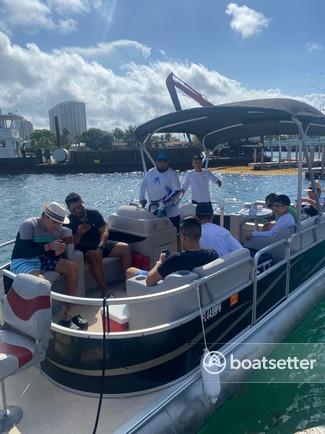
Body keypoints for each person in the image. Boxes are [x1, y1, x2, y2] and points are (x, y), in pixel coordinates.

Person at [10, 202, 87, 330]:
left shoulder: (57, 230)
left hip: (43, 258)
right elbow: (25, 251)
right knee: (43, 282)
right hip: (23, 260)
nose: (58, 226)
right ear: (45, 217)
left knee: (72, 267)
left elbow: (51, 253)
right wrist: (49, 246)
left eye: (60, 223)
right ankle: (45, 322)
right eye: (56, 222)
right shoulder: (28, 225)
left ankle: (70, 310)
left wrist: (57, 252)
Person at [65, 192, 132, 296]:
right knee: (95, 256)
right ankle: (104, 289)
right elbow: (72, 245)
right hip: (85, 251)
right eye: (74, 209)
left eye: (79, 206)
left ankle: (127, 282)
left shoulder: (94, 214)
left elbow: (104, 231)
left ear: (83, 203)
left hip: (100, 245)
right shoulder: (69, 223)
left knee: (125, 248)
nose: (78, 210)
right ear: (69, 209)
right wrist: (78, 234)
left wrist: (101, 247)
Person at [126, 217, 219, 286]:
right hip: (193, 292)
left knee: (130, 271)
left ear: (183, 237)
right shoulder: (212, 254)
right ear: (200, 235)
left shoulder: (175, 259)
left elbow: (149, 281)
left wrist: (160, 262)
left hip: (165, 290)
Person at [139, 151, 181, 231]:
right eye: (160, 161)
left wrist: (163, 204)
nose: (162, 163)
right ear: (156, 162)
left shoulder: (172, 174)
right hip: (154, 208)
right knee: (156, 232)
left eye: (164, 161)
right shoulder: (150, 173)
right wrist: (141, 197)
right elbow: (143, 185)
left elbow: (177, 191)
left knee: (175, 231)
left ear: (168, 162)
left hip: (171, 209)